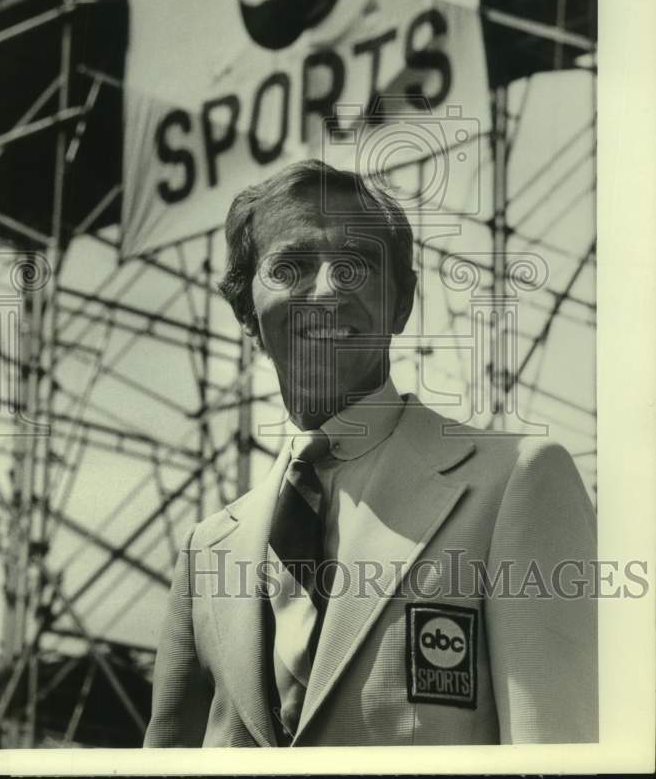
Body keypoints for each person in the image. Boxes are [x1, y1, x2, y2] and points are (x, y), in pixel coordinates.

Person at [144, 159, 597, 747]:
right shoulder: (209, 548)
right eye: (290, 267)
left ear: (402, 303)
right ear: (247, 316)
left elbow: (555, 749)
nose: (326, 290)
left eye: (355, 266)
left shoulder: (516, 482)